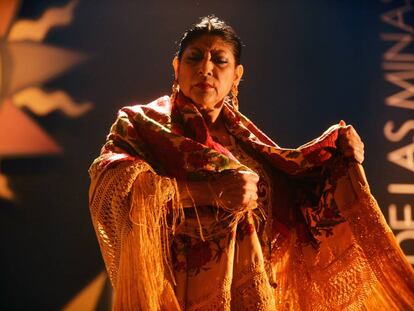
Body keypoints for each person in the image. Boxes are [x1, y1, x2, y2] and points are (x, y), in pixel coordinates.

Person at [89, 16, 414, 311]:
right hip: (175, 295)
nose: (206, 68)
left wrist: (337, 156)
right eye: (194, 57)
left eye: (220, 60)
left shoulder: (250, 146)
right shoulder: (142, 125)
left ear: (236, 76)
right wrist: (210, 193)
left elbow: (297, 198)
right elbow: (112, 194)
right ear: (176, 66)